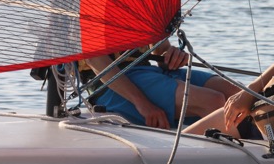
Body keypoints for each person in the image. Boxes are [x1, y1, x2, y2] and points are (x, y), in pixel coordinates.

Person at [81, 39, 239, 129]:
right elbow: (94, 60)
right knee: (213, 101)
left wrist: (171, 56)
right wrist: (143, 104)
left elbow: (161, 50)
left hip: (149, 71)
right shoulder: (89, 2)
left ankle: (253, 141)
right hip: (110, 87)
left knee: (238, 95)